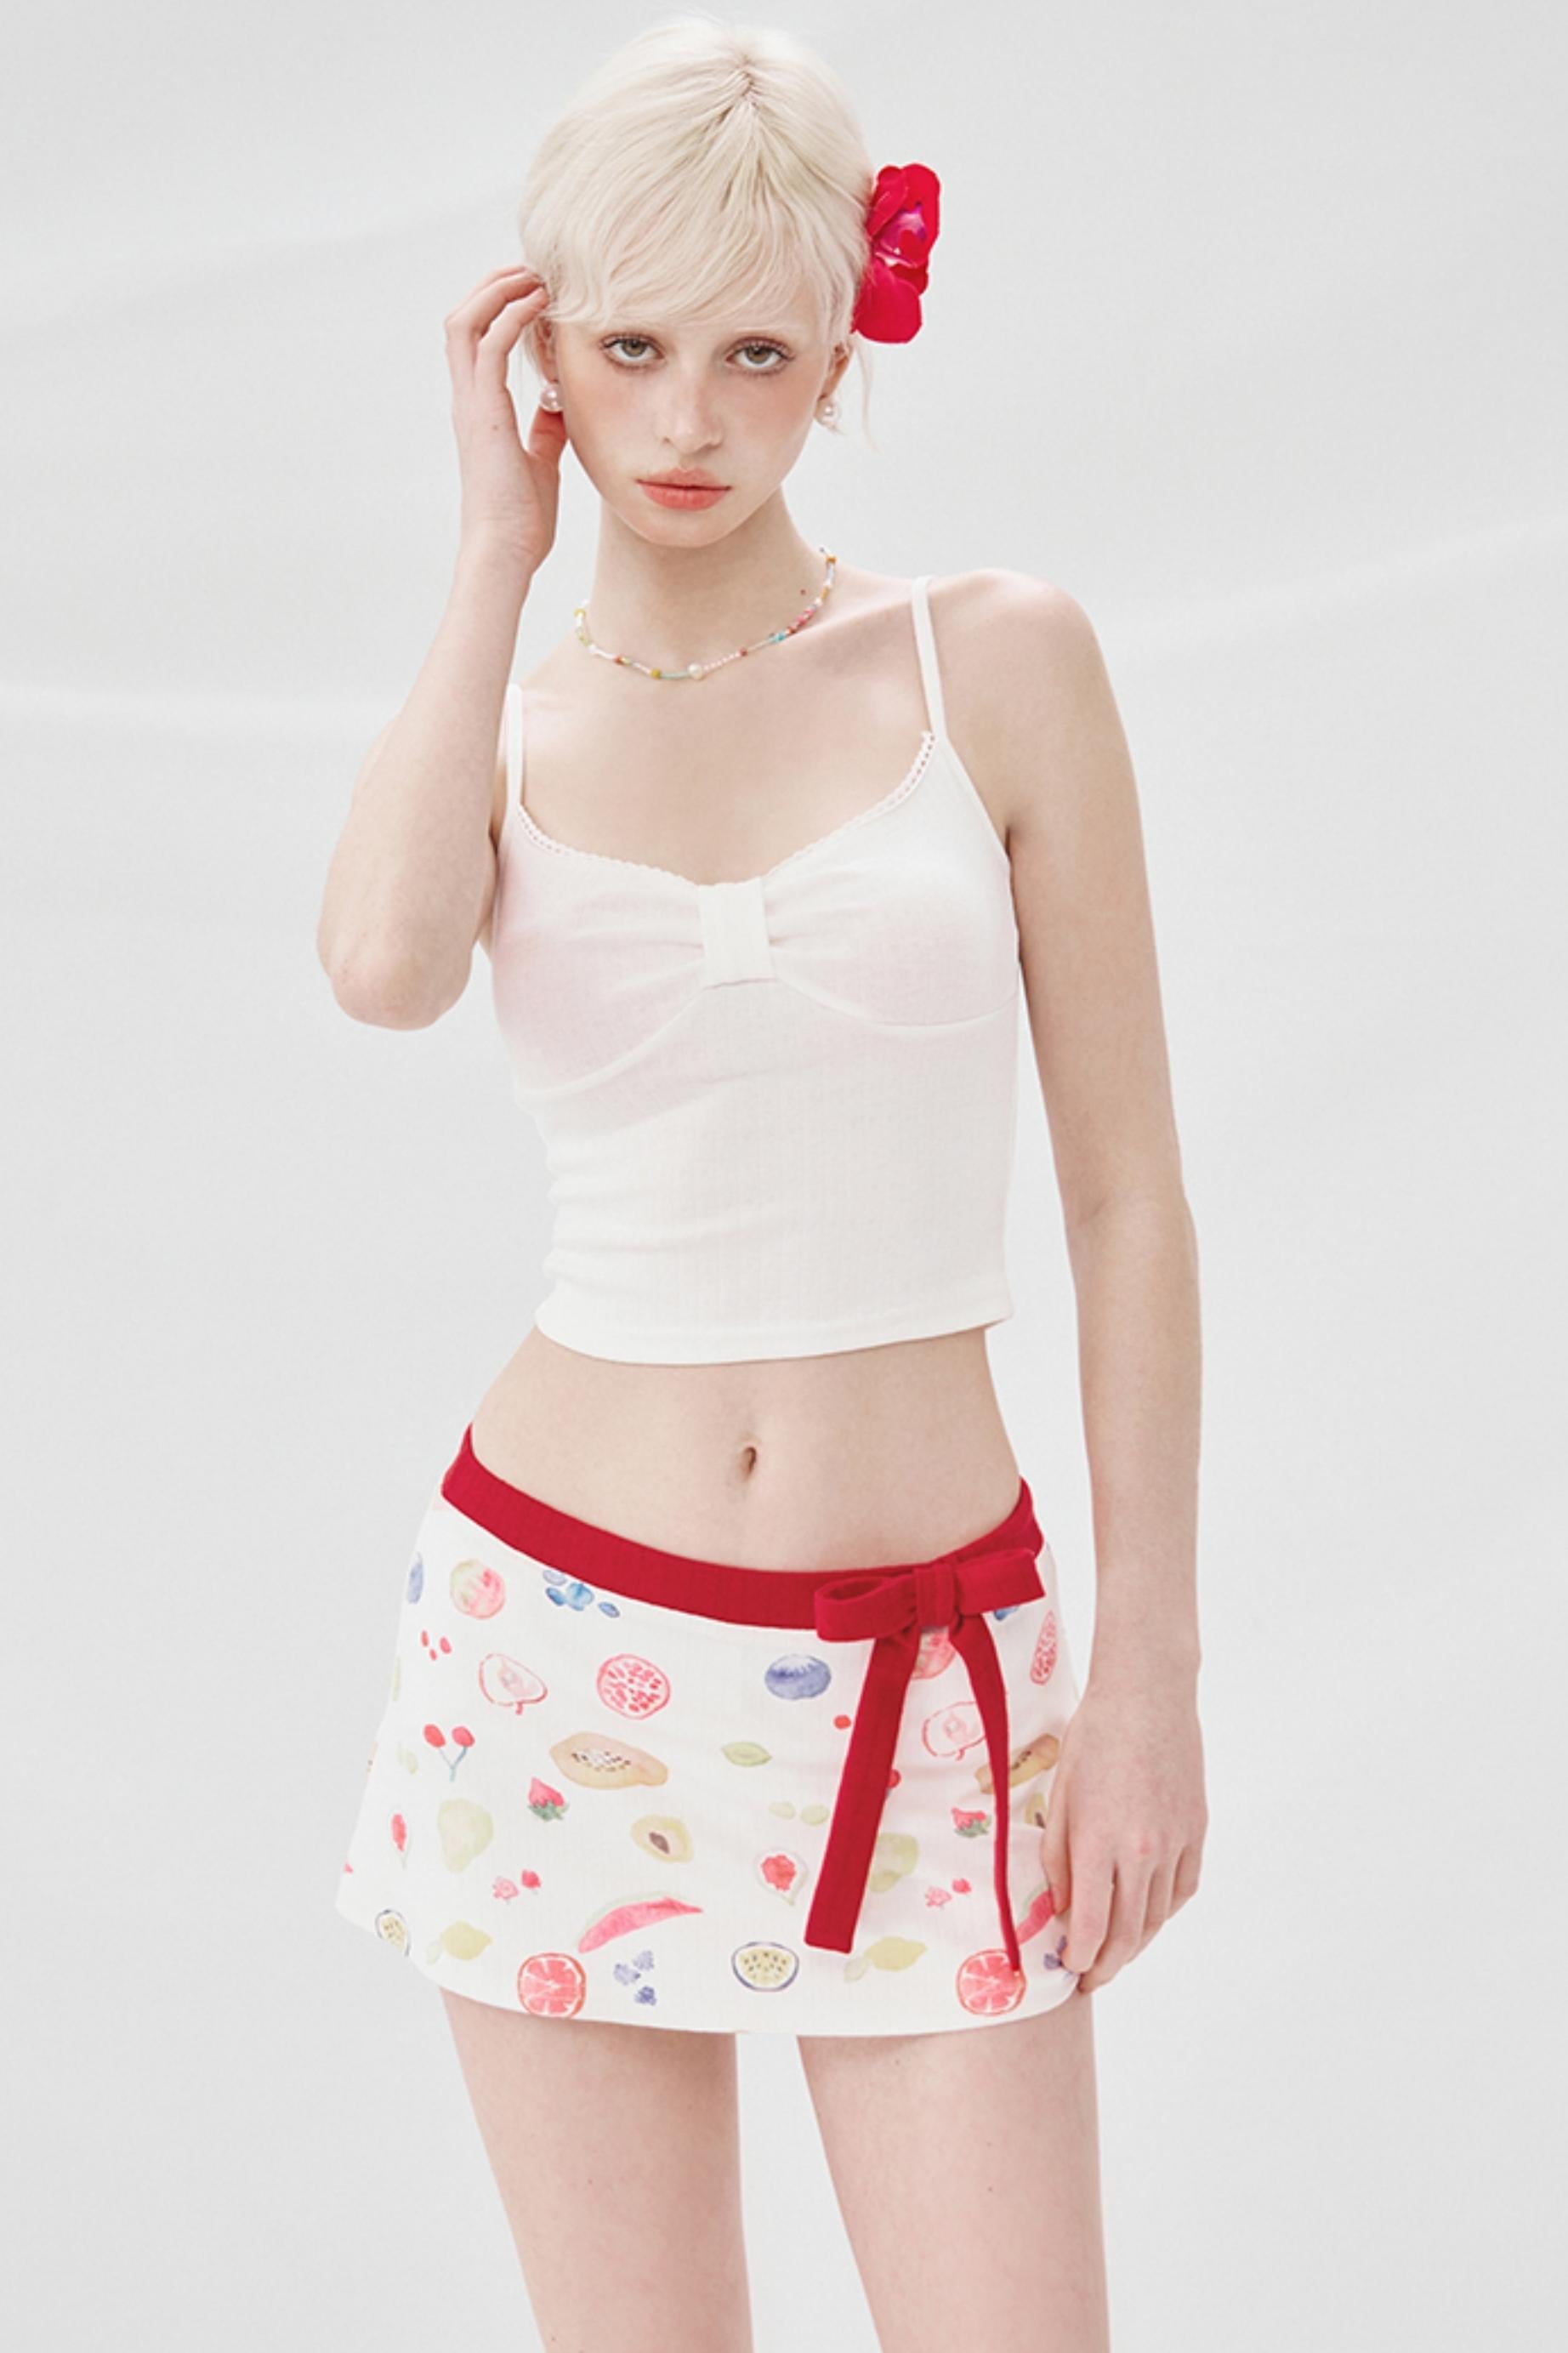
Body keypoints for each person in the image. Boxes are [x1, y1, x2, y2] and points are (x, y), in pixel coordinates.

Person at [318, 19, 1206, 2350]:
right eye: (629, 349)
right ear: (538, 348)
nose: (691, 421)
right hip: (551, 1647)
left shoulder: (992, 663)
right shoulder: (504, 721)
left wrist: (1147, 1670)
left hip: (934, 1672)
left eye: (757, 353)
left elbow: (1126, 1196)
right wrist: (491, 556)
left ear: (843, 344)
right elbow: (384, 970)